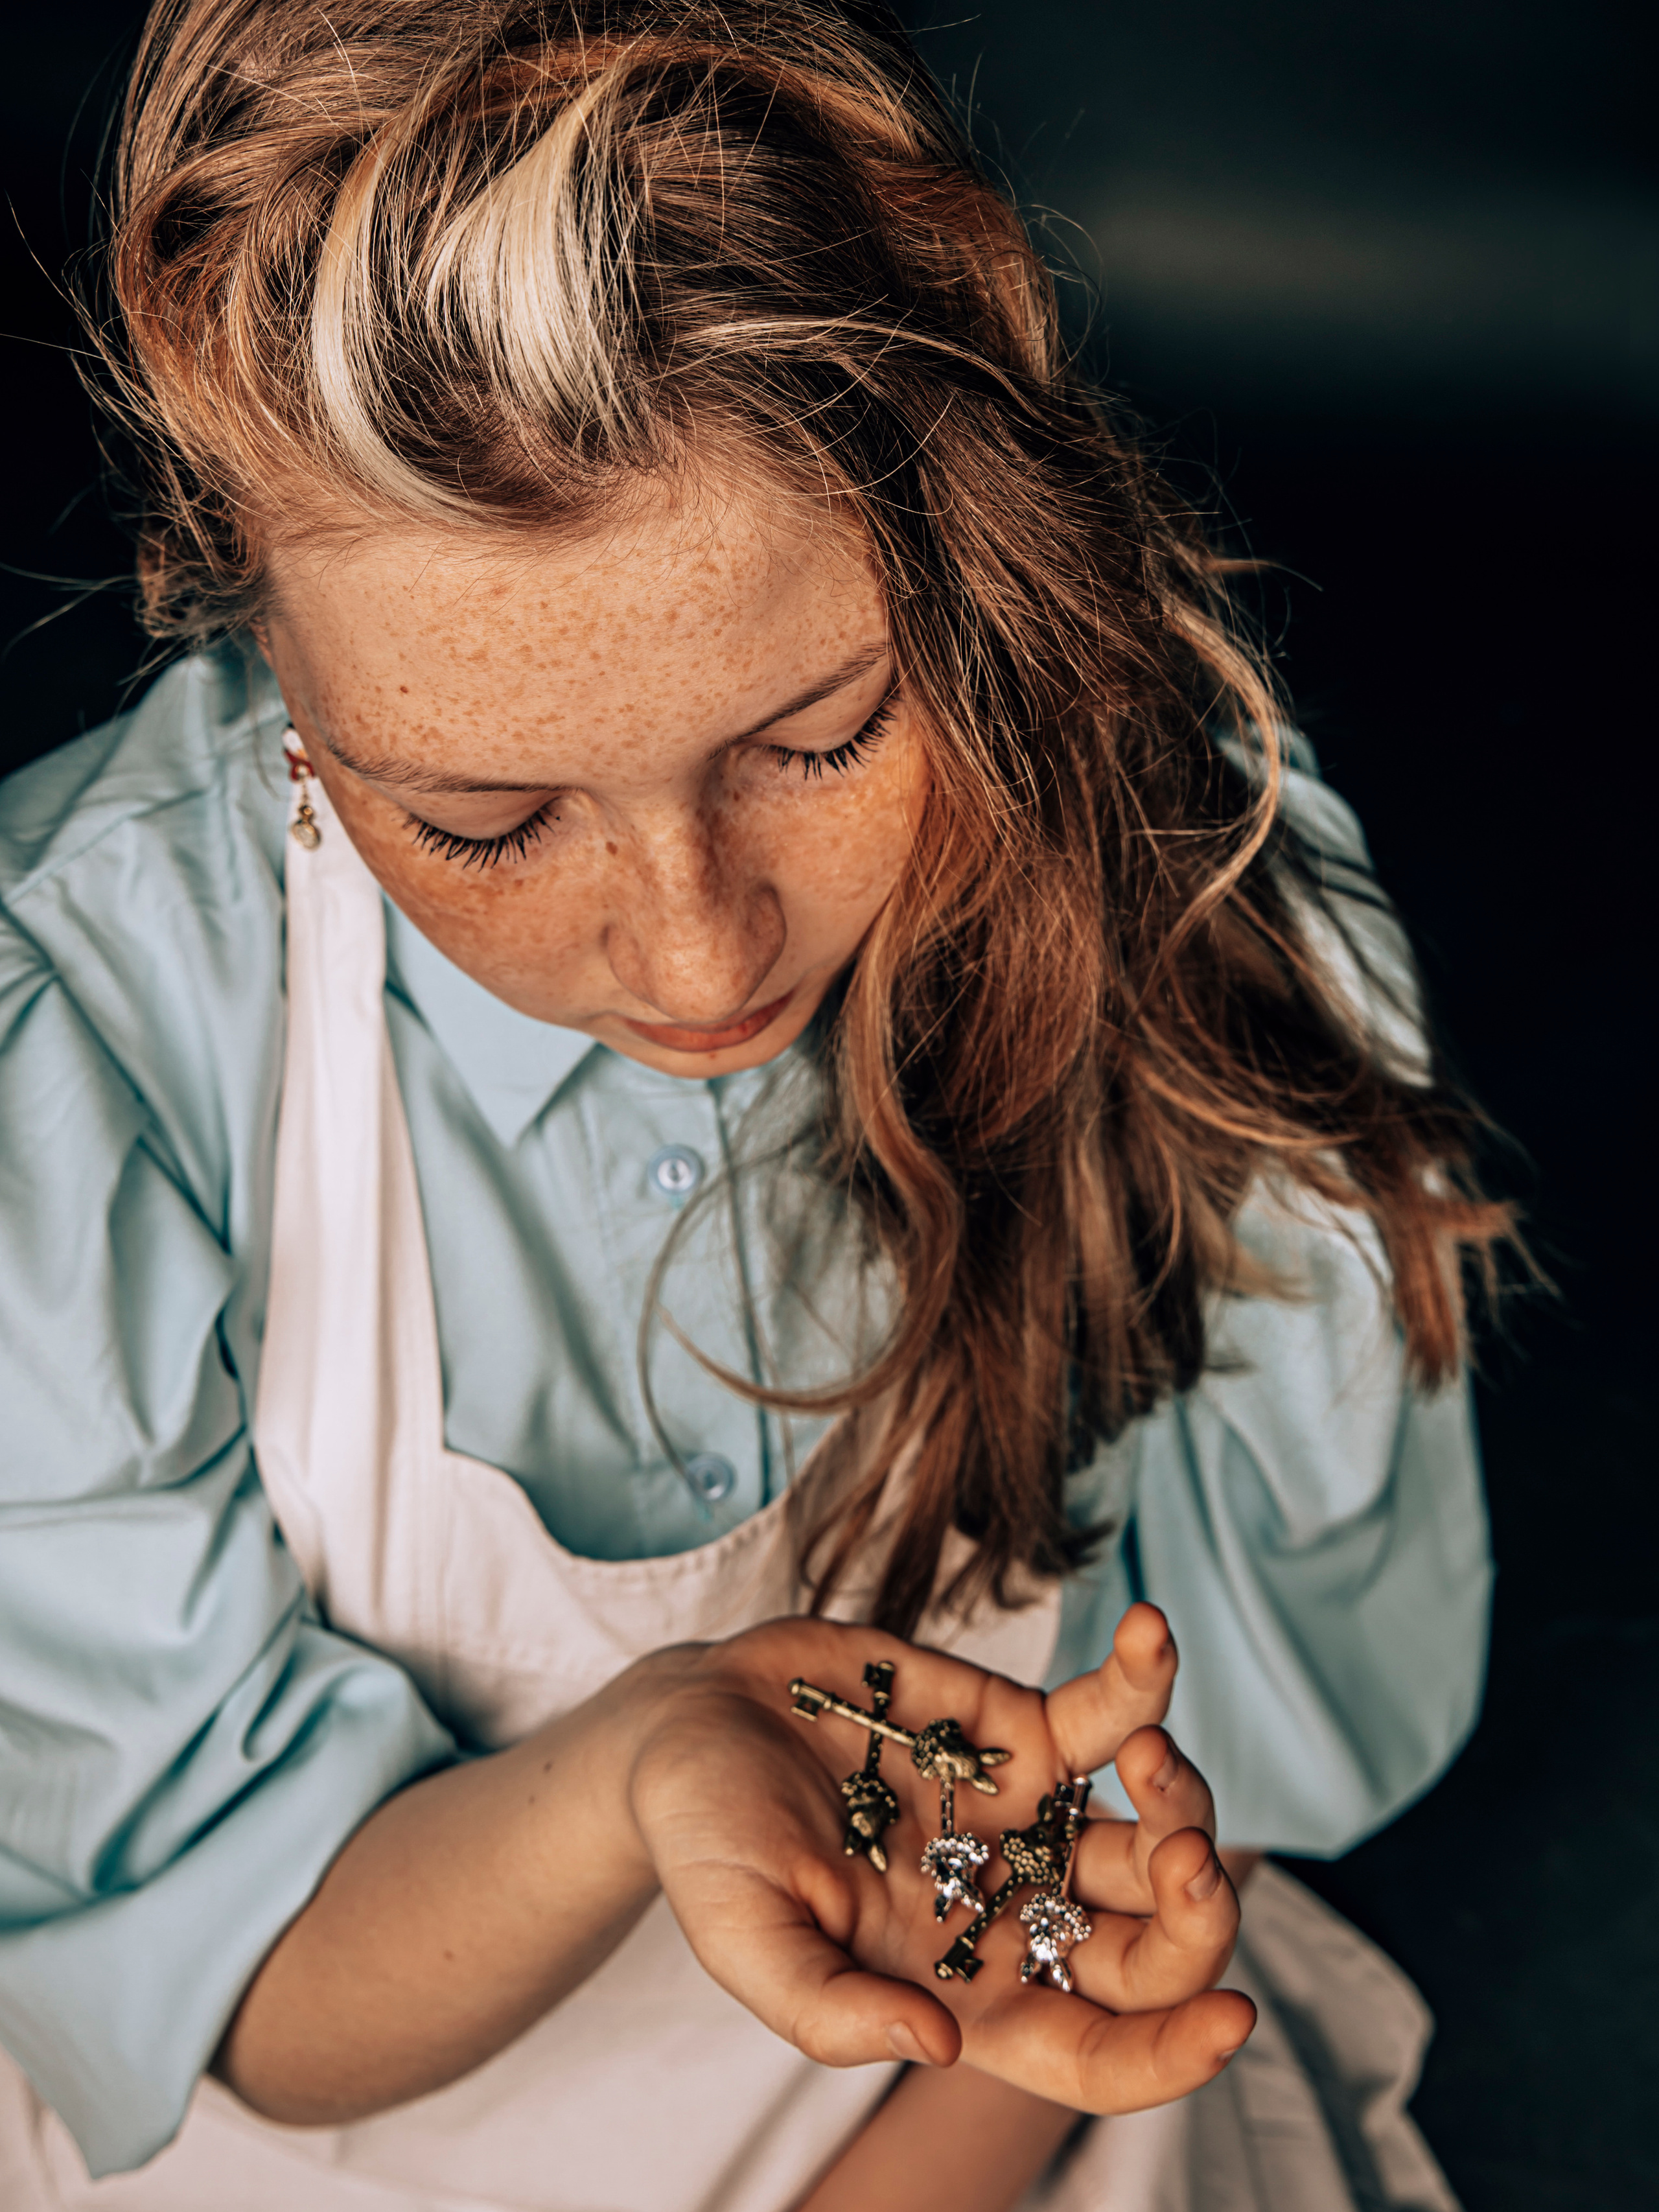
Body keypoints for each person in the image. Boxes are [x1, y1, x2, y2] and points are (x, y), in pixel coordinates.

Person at [0, 4, 1507, 2207]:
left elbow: (1230, 1790)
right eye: (488, 818)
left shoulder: (1208, 904)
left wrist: (973, 2093)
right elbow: (231, 1992)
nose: (701, 958)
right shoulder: (72, 1053)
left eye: (815, 736)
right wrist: (645, 1768)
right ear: (246, 625)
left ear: (967, 535)